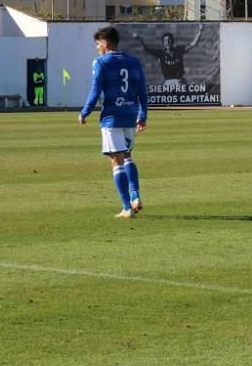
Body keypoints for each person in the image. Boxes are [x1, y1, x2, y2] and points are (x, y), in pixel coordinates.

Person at [79, 26, 148, 219]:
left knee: (116, 161)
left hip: (111, 118)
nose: (96, 48)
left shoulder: (101, 62)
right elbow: (142, 90)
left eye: (97, 44)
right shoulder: (134, 62)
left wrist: (85, 112)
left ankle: (127, 207)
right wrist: (142, 116)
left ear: (105, 43)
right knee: (128, 156)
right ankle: (135, 195)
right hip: (130, 116)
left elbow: (95, 90)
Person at [133, 24, 203, 89]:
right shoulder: (161, 54)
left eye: (169, 40)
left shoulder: (178, 50)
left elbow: (193, 44)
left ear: (172, 41)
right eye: (165, 40)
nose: (168, 42)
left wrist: (200, 30)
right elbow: (146, 49)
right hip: (168, 83)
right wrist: (140, 39)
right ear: (163, 43)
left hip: (180, 82)